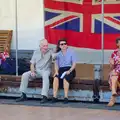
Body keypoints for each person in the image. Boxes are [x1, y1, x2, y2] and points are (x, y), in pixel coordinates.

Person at [16, 39, 55, 103]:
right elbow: (32, 64)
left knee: (45, 75)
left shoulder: (50, 51)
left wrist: (54, 56)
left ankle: (44, 96)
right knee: (25, 75)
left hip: (46, 70)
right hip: (37, 71)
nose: (46, 47)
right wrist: (32, 71)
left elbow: (54, 57)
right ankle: (23, 95)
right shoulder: (36, 52)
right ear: (40, 46)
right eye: (44, 46)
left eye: (46, 46)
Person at [51, 38, 77, 104]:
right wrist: (56, 71)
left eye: (65, 44)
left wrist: (70, 70)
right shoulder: (57, 54)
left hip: (70, 69)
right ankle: (54, 97)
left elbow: (74, 64)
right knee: (56, 78)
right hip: (61, 70)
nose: (64, 45)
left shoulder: (72, 52)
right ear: (59, 46)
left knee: (66, 78)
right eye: (62, 44)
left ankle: (66, 97)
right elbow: (56, 64)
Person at [107, 37, 120, 107]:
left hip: (118, 71)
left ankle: (112, 99)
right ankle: (114, 92)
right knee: (113, 75)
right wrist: (111, 63)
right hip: (116, 71)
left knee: (113, 74)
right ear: (117, 44)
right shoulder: (114, 53)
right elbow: (112, 67)